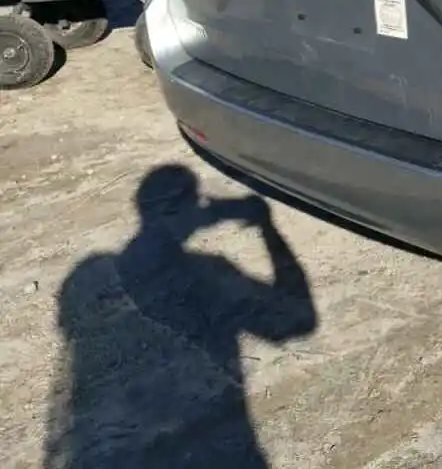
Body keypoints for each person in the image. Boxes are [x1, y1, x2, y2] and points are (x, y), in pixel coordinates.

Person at [44, 164, 317, 468]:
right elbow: (298, 320)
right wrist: (267, 226)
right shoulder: (210, 274)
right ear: (183, 209)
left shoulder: (104, 277)